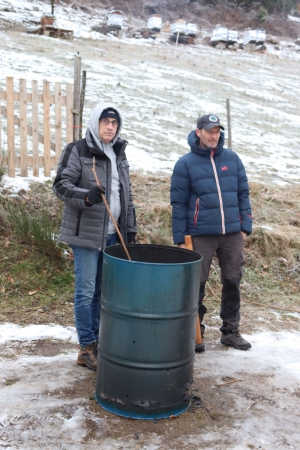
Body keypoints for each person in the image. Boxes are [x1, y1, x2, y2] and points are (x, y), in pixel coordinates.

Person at [53, 104, 137, 370]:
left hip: (113, 235)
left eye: (114, 122)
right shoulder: (78, 150)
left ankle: (98, 342)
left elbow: (127, 196)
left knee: (103, 292)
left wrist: (129, 228)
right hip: (86, 235)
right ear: (94, 123)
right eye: (105, 121)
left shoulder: (119, 154)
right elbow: (60, 185)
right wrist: (86, 196)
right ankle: (86, 347)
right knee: (86, 290)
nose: (110, 126)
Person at [170, 114, 252, 352]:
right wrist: (181, 239)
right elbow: (179, 204)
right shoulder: (185, 164)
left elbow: (243, 194)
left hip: (232, 234)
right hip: (200, 234)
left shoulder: (232, 159)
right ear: (198, 132)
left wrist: (245, 226)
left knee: (233, 281)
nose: (214, 135)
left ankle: (230, 331)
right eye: (209, 131)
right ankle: (196, 332)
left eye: (217, 131)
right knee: (197, 284)